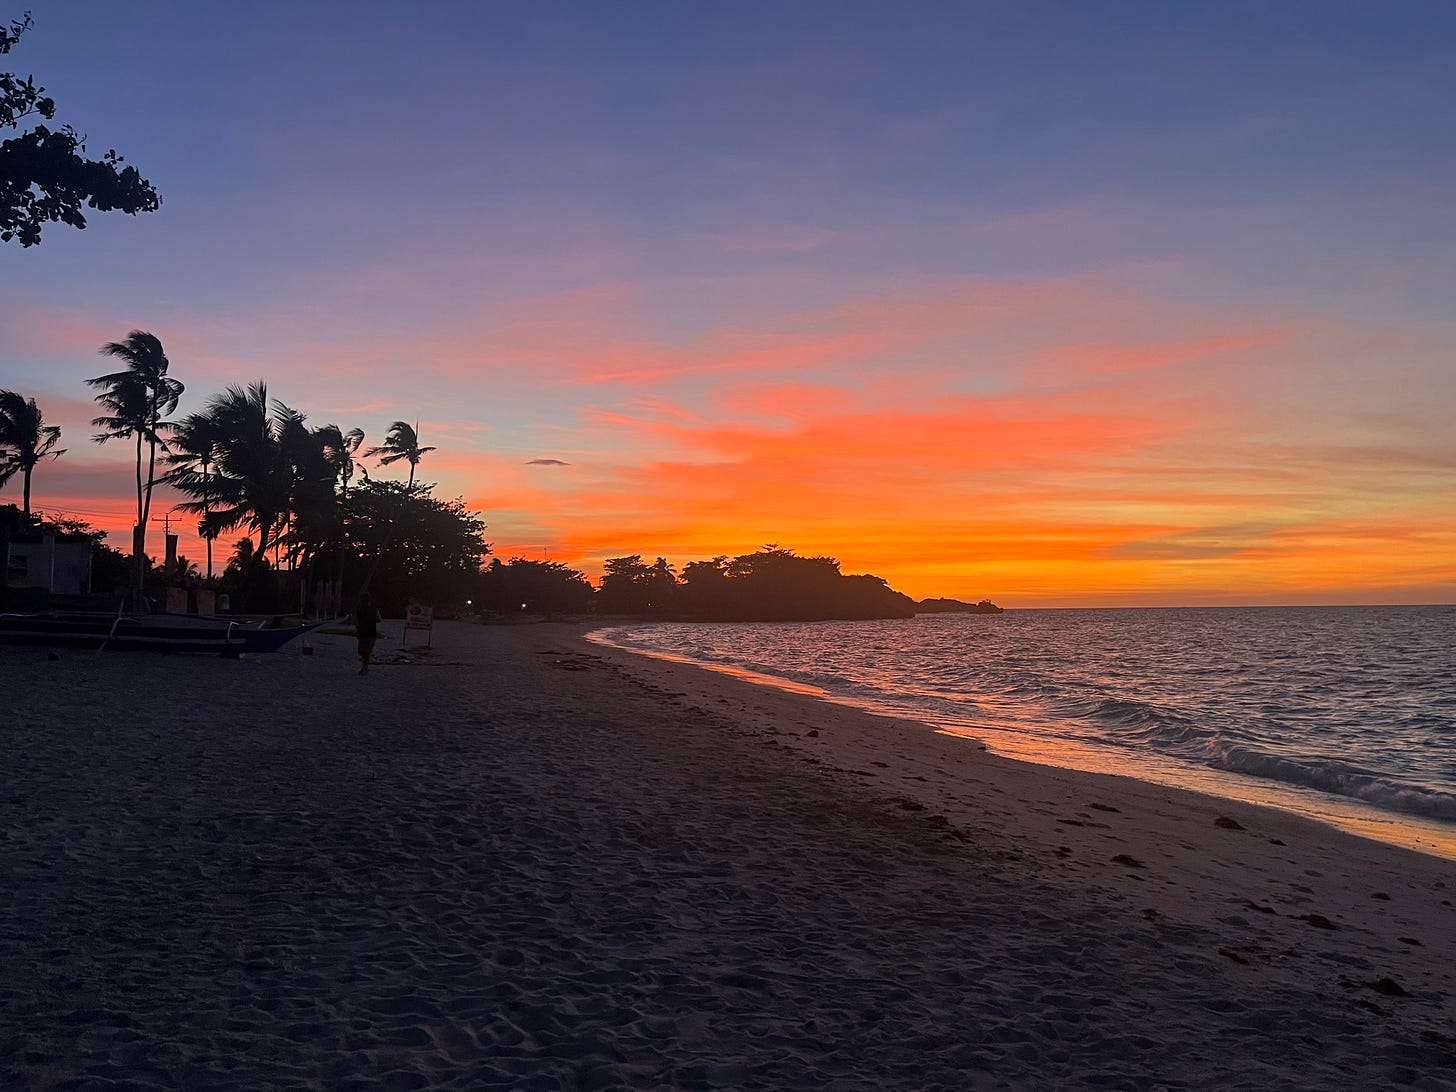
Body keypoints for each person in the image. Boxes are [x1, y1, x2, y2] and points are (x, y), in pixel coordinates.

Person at [355, 592, 381, 675]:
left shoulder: (359, 609)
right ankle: (365, 667)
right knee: (367, 651)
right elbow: (378, 619)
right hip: (371, 632)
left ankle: (364, 668)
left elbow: (356, 621)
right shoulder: (374, 609)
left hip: (362, 632)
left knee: (363, 651)